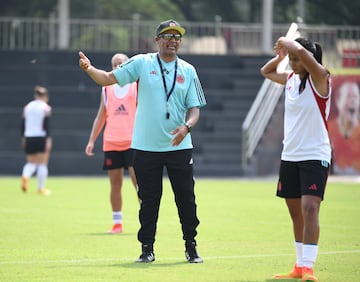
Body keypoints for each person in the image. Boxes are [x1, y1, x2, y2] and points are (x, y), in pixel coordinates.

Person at [79, 19, 207, 263]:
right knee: (148, 200)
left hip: (179, 146)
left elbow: (195, 109)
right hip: (146, 147)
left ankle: (191, 246)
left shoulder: (188, 70)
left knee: (186, 198)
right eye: (167, 36)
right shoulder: (141, 62)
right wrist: (88, 68)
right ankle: (147, 249)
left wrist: (187, 126)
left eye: (177, 37)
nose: (173, 40)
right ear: (157, 40)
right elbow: (106, 78)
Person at [260, 37, 332, 282]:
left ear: (309, 59)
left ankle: (309, 268)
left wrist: (284, 41)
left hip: (315, 154)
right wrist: (280, 57)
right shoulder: (290, 80)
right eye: (290, 59)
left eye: (296, 59)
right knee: (295, 213)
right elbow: (266, 71)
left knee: (310, 208)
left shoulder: (321, 79)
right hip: (290, 155)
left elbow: (301, 50)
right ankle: (299, 266)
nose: (292, 62)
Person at [85, 53, 139, 234]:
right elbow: (101, 116)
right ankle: (117, 223)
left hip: (133, 142)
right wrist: (92, 140)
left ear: (128, 65)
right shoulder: (106, 89)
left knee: (139, 184)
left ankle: (146, 221)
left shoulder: (136, 86)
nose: (118, 65)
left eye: (121, 63)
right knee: (115, 184)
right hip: (112, 142)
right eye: (115, 63)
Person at [21, 85, 52, 196]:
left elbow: (23, 125)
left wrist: (23, 138)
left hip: (28, 137)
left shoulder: (27, 107)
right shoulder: (45, 107)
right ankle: (41, 188)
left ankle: (25, 176)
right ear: (44, 96)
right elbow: (46, 125)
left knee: (31, 163)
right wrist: (48, 139)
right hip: (41, 137)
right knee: (42, 164)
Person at [328, 80, 360, 174]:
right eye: (348, 96)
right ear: (338, 101)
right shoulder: (329, 128)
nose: (353, 100)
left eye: (355, 96)